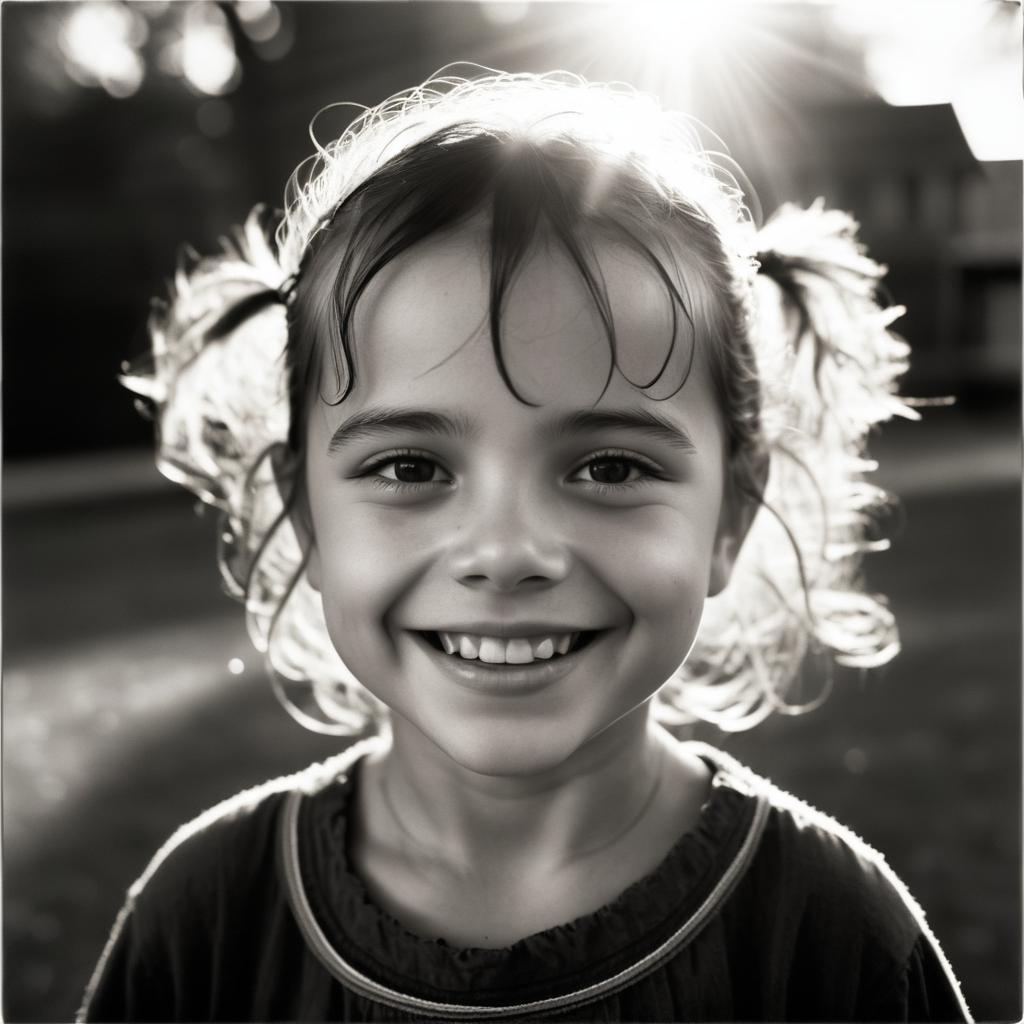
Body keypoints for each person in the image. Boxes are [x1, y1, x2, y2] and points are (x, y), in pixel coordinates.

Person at [79, 70, 971, 1022]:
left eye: (613, 468)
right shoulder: (205, 923)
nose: (506, 552)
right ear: (302, 510)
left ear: (729, 516)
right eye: (412, 467)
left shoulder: (832, 941)